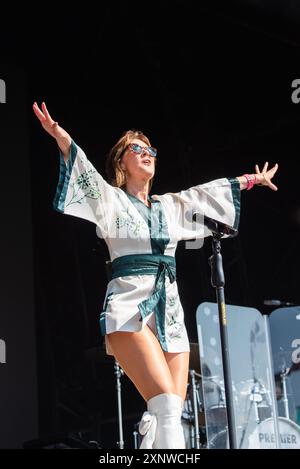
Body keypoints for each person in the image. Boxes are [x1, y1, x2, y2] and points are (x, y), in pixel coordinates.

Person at [33, 101, 279, 449]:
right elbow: (83, 170)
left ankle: (151, 441)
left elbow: (207, 194)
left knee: (172, 411)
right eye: (138, 148)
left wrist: (253, 179)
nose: (147, 153)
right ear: (122, 161)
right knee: (165, 404)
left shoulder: (169, 206)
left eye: (151, 149)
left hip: (170, 312)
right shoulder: (110, 201)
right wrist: (60, 136)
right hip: (129, 307)